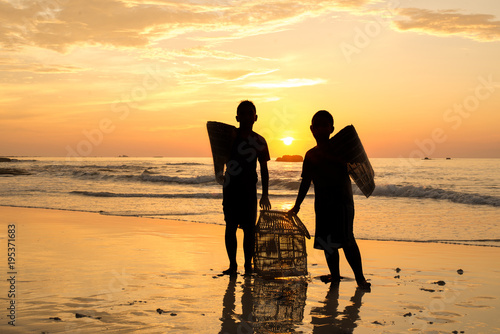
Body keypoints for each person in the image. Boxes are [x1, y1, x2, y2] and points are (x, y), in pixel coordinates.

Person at [289, 110, 370, 289]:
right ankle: (335, 276)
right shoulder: (310, 155)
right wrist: (297, 205)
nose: (320, 129)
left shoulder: (340, 150)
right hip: (323, 204)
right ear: (312, 129)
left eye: (325, 125)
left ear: (331, 128)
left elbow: (358, 163)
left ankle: (360, 279)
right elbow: (305, 182)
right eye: (317, 125)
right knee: (328, 243)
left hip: (342, 203)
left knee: (347, 240)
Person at [221, 100, 271, 275]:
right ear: (237, 117)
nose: (246, 116)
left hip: (249, 190)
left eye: (250, 113)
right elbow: (218, 155)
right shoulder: (230, 137)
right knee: (231, 226)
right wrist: (219, 172)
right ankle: (233, 266)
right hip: (231, 189)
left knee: (250, 229)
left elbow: (264, 170)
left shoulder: (259, 141)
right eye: (242, 113)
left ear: (255, 117)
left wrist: (265, 195)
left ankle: (248, 266)